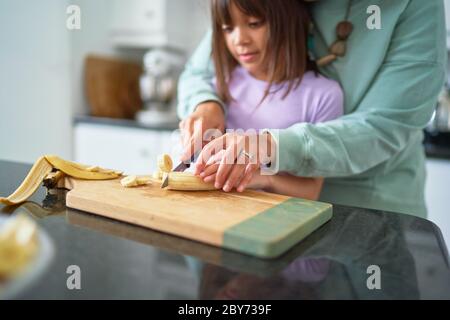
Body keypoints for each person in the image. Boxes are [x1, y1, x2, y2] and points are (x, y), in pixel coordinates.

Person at [178, 0, 447, 218]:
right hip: (262, 214)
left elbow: (383, 128)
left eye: (255, 23)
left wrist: (268, 147)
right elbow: (198, 73)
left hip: (371, 211)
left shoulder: (414, 6)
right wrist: (206, 104)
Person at [181, 0, 343, 199]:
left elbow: (311, 190)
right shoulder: (223, 83)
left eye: (254, 24)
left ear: (289, 22)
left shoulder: (324, 95)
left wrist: (264, 178)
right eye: (228, 28)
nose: (239, 39)